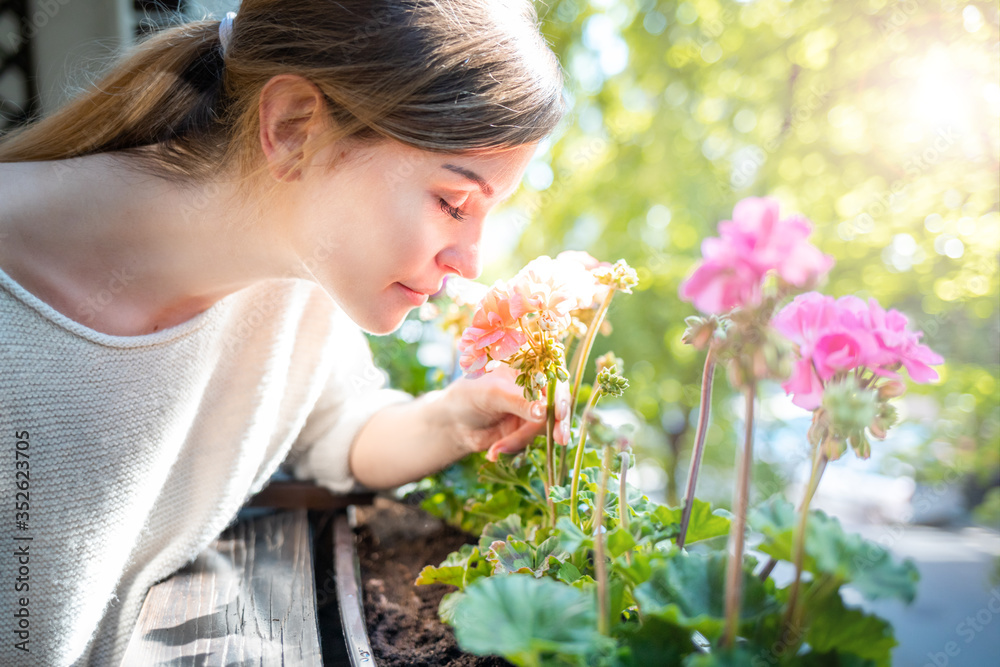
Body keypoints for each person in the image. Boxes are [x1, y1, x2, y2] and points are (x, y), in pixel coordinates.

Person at [0, 1, 568, 664]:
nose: (470, 262)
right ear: (295, 125)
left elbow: (339, 428)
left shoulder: (300, 288)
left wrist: (453, 419)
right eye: (452, 202)